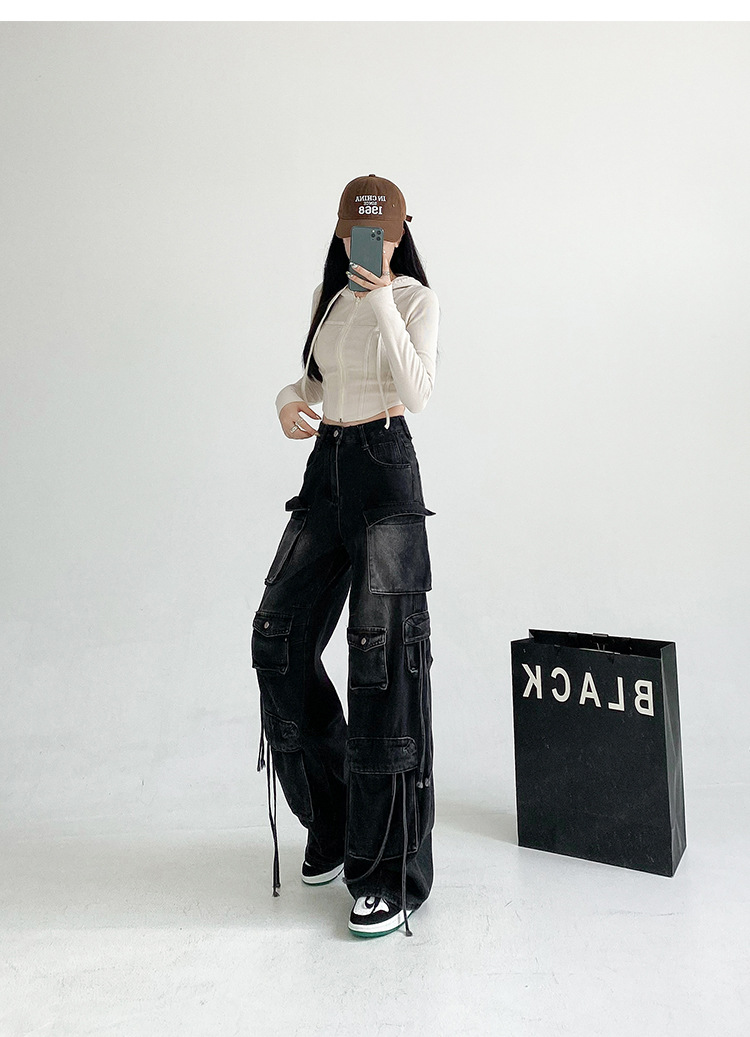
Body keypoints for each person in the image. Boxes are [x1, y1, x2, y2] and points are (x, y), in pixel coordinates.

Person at [251, 174, 440, 938]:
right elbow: (311, 382)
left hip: (386, 466)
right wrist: (286, 401)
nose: (372, 243)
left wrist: (385, 295)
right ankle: (329, 818)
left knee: (380, 660)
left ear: (399, 233)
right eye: (360, 231)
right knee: (277, 636)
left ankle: (386, 870)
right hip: (326, 467)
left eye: (384, 233)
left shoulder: (417, 299)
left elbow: (418, 391)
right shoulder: (328, 302)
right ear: (340, 231)